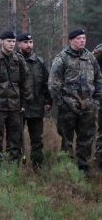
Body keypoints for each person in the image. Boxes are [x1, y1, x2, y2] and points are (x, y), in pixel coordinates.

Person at [48, 29, 102, 173]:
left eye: (84, 38)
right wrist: (61, 103)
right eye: (78, 38)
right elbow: (53, 84)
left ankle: (83, 168)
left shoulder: (90, 57)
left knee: (86, 139)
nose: (82, 41)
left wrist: (96, 101)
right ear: (71, 40)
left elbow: (98, 80)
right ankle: (67, 169)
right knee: (66, 140)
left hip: (88, 107)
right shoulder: (62, 58)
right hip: (68, 107)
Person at [0, 30, 32, 165]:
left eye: (13, 41)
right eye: (9, 41)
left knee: (15, 138)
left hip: (15, 106)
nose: (11, 44)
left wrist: (24, 103)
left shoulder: (19, 60)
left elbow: (25, 82)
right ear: (1, 42)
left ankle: (13, 166)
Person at [17, 33, 52, 168]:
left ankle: (37, 167)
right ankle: (16, 166)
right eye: (25, 42)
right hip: (17, 107)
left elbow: (46, 83)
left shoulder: (39, 62)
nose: (29, 45)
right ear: (19, 44)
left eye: (30, 42)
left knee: (37, 140)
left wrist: (48, 101)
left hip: (36, 107)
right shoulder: (14, 60)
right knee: (16, 139)